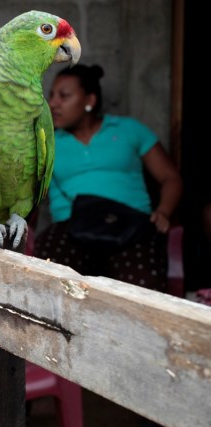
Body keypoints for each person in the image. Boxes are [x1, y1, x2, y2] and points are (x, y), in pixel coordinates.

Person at [33, 64, 183, 292]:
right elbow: (26, 194)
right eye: (52, 95)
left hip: (131, 225)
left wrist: (163, 212)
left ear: (89, 101)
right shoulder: (47, 143)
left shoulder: (129, 130)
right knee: (53, 281)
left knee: (142, 290)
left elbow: (171, 177)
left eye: (64, 96)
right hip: (72, 229)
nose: (53, 103)